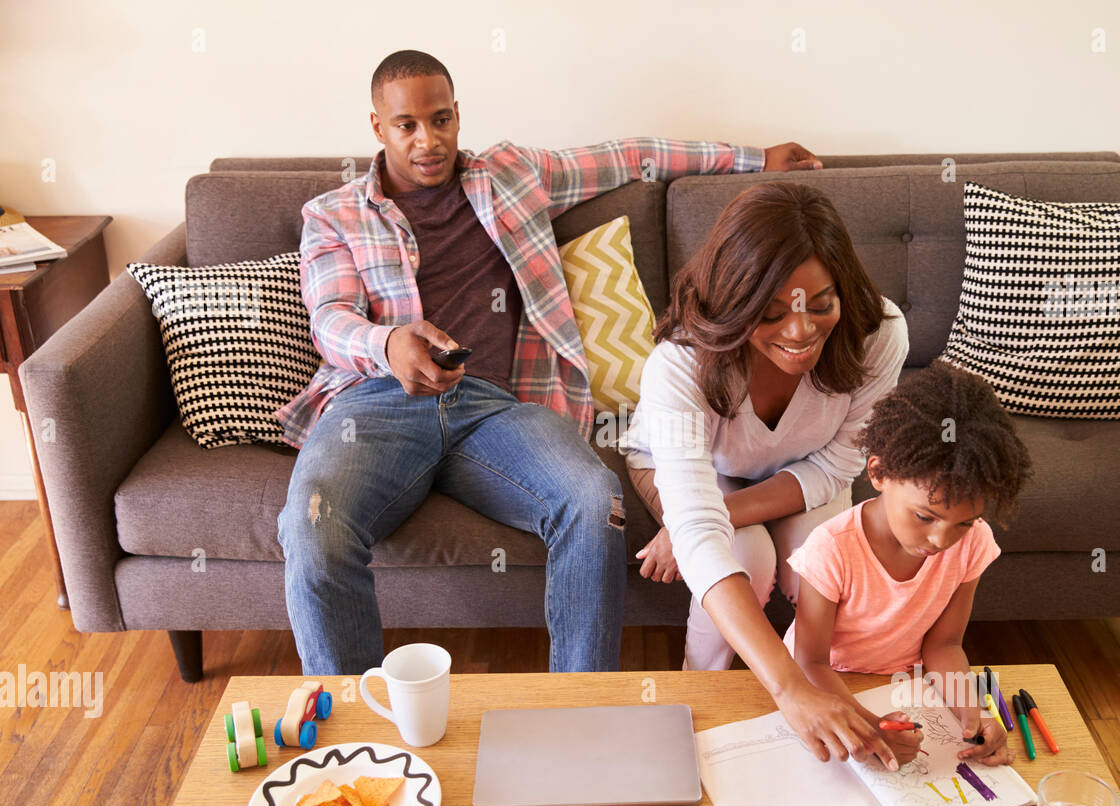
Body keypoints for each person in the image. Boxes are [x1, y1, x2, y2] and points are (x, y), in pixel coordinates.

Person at [274, 49, 825, 675]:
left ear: (458, 116)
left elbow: (632, 155)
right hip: (377, 402)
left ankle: (580, 711)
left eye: (441, 119)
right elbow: (331, 317)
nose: (428, 141)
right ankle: (355, 734)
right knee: (313, 526)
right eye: (407, 125)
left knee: (594, 499)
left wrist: (755, 160)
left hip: (499, 410)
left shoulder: (512, 173)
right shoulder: (333, 213)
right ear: (378, 126)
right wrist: (389, 343)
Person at [620, 180, 909, 764]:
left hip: (806, 471)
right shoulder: (680, 362)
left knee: (823, 569)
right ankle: (699, 689)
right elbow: (700, 523)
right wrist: (786, 690)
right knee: (745, 559)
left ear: (843, 291)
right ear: (734, 305)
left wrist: (701, 521)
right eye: (771, 314)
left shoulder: (879, 334)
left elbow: (836, 465)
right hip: (696, 468)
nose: (800, 332)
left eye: (819, 305)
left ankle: (827, 690)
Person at [783, 359, 1035, 768]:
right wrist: (866, 728)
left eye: (964, 522)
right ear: (879, 473)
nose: (941, 540)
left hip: (904, 686)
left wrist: (974, 716)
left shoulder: (972, 544)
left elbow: (945, 644)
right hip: (826, 681)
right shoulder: (831, 548)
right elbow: (809, 661)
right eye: (925, 517)